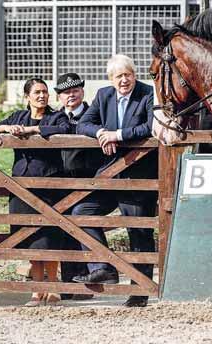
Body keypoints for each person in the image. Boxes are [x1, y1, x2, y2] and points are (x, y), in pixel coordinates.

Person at [71, 55, 157, 308]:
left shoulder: (148, 93)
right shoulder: (104, 95)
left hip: (138, 176)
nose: (123, 80)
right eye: (118, 76)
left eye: (127, 75)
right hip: (110, 174)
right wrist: (100, 133)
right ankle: (103, 266)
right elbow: (84, 124)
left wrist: (116, 135)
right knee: (82, 212)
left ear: (134, 74)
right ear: (111, 79)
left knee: (139, 232)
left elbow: (150, 127)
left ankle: (140, 291)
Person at [0, 78, 70, 307]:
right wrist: (6, 128)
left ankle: (53, 288)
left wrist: (33, 130)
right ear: (27, 97)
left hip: (49, 184)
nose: (42, 96)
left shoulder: (56, 116)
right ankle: (36, 290)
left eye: (44, 92)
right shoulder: (17, 117)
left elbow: (64, 129)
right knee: (30, 238)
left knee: (50, 237)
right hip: (21, 185)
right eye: (37, 92)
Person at [54, 72, 98, 301]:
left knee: (83, 227)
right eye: (65, 92)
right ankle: (68, 283)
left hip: (87, 180)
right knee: (63, 230)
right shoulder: (53, 118)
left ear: (82, 91)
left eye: (74, 90)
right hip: (60, 181)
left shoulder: (94, 115)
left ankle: (86, 284)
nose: (70, 95)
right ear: (59, 96)